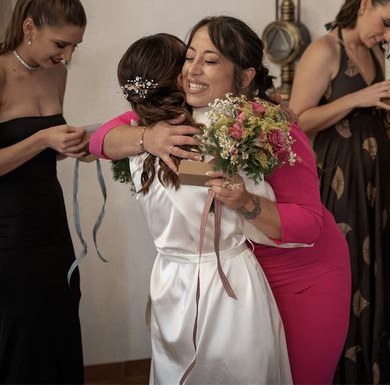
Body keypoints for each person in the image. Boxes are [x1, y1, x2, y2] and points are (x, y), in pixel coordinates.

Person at [89, 16, 351, 384]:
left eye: (210, 61)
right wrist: (149, 138)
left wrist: (244, 202)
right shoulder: (175, 115)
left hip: (300, 275)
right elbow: (100, 140)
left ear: (244, 77)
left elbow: (309, 225)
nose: (192, 71)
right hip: (229, 276)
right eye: (189, 57)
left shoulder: (273, 128)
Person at [102, 32, 292, 384]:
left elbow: (100, 141)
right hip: (224, 281)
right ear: (178, 78)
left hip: (169, 280)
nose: (194, 69)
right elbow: (256, 210)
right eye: (188, 60)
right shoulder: (204, 141)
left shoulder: (138, 142)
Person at [288, 0, 390, 383]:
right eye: (385, 23)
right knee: (345, 269)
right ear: (365, 3)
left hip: (378, 178)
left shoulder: (375, 53)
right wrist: (359, 97)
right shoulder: (324, 50)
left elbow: (367, 117)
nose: (387, 35)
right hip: (338, 178)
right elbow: (298, 120)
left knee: (379, 267)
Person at [0, 0, 87, 382]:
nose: (67, 55)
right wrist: (42, 138)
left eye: (74, 47)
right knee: (20, 332)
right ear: (29, 28)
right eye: (60, 45)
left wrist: (74, 146)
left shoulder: (57, 76)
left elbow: (45, 148)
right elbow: (34, 142)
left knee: (61, 316)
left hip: (51, 224)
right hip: (7, 233)